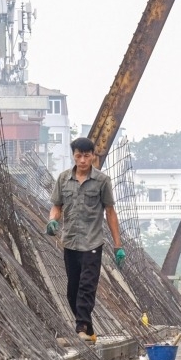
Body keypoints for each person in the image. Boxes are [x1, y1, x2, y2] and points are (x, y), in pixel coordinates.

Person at [47, 137, 125, 343]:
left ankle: (81, 326)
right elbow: (56, 206)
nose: (82, 160)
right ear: (74, 156)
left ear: (93, 157)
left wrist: (118, 245)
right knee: (72, 290)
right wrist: (53, 221)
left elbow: (110, 212)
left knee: (86, 286)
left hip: (92, 242)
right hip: (70, 242)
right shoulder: (63, 179)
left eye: (86, 156)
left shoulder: (101, 181)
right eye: (78, 156)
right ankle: (88, 330)